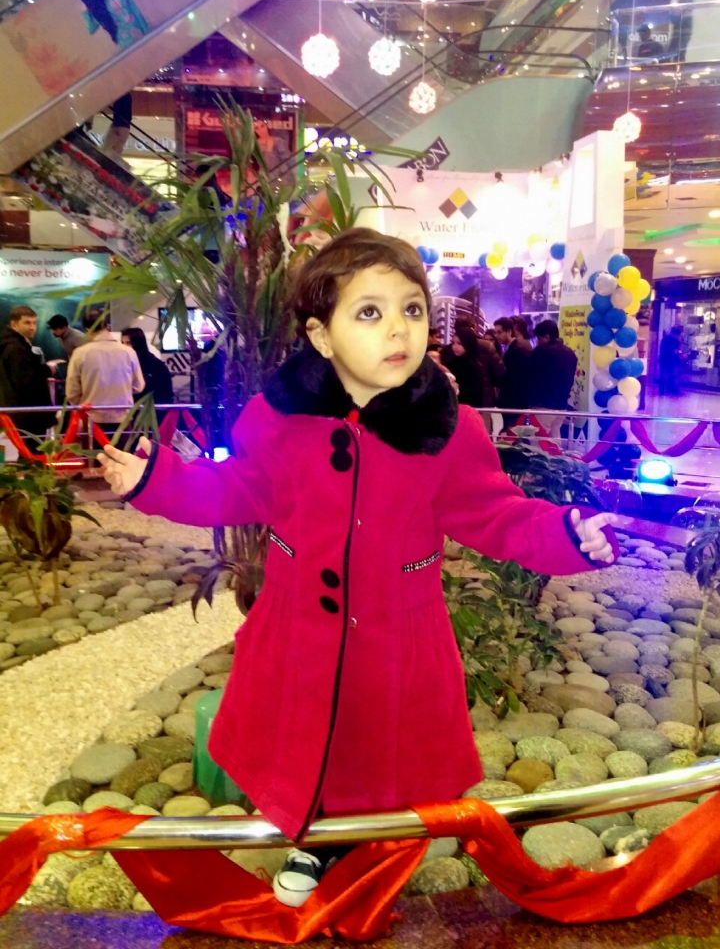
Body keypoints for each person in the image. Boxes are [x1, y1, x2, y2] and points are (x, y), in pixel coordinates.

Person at [98, 227, 617, 909]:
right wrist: (156, 480)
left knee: (380, 743)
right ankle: (314, 838)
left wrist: (565, 534)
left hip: (397, 632)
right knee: (307, 741)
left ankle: (375, 836)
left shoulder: (447, 430)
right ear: (321, 335)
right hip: (296, 627)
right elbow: (237, 490)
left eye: (411, 309)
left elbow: (496, 514)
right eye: (369, 312)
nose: (398, 329)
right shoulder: (279, 419)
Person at [66, 309, 144, 431]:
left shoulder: (79, 353)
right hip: (122, 418)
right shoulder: (129, 352)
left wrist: (83, 403)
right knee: (122, 444)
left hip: (91, 418)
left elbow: (72, 392)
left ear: (87, 329)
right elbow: (138, 386)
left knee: (93, 445)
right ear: (107, 325)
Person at [0, 306, 57, 448]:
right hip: (28, 414)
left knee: (26, 452)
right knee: (33, 452)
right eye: (27, 323)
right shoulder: (16, 348)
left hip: (16, 409)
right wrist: (47, 369)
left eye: (34, 323)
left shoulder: (9, 344)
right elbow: (25, 381)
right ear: (14, 324)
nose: (32, 327)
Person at [527, 319, 578, 440]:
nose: (538, 342)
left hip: (542, 405)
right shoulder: (570, 353)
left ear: (547, 337)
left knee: (538, 441)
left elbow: (530, 374)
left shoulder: (541, 352)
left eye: (539, 338)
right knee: (555, 437)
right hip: (561, 404)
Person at [121, 328, 174, 409]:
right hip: (129, 409)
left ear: (138, 344)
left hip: (150, 410)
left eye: (128, 343)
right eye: (122, 343)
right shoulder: (123, 364)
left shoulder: (156, 366)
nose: (124, 347)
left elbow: (164, 394)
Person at [494, 316, 532, 427]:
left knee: (512, 432)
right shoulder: (511, 348)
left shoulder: (517, 350)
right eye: (496, 332)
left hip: (514, 403)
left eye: (499, 332)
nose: (496, 336)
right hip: (511, 401)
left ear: (509, 332)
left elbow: (517, 379)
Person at [659, 325, 684, 395]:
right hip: (670, 360)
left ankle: (663, 390)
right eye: (678, 335)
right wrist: (679, 353)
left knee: (665, 375)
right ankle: (669, 389)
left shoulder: (665, 339)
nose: (678, 337)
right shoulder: (674, 341)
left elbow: (663, 349)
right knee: (671, 375)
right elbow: (675, 350)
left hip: (664, 359)